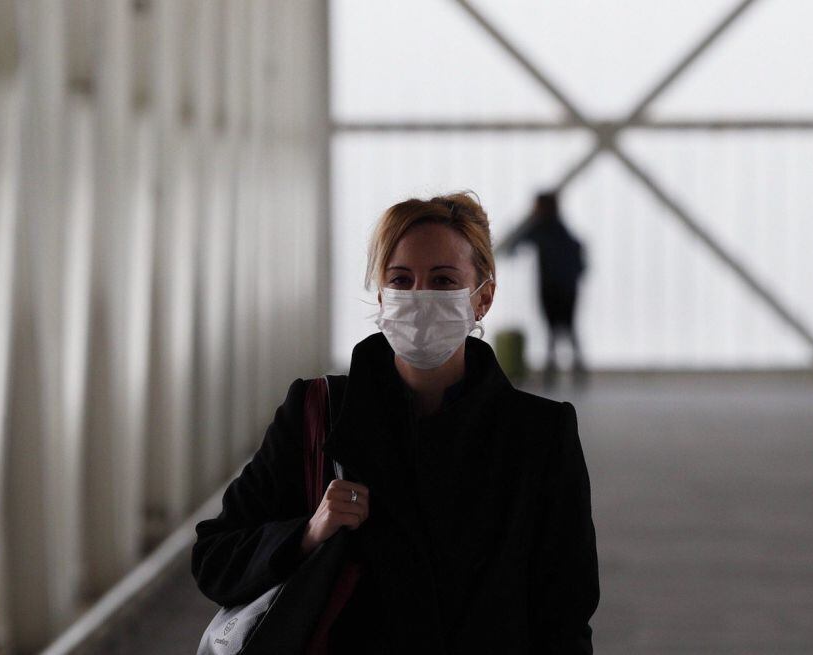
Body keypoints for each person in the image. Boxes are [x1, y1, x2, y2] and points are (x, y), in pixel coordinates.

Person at [191, 191, 600, 653]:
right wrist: (306, 535)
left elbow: (565, 616)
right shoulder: (317, 414)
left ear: (482, 298)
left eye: (443, 281)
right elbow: (214, 558)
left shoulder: (540, 435)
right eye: (401, 280)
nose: (418, 297)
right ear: (382, 296)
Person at [497, 190, 587, 387]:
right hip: (566, 287)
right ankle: (570, 372)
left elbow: (515, 243)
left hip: (552, 287)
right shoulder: (559, 230)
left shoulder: (542, 228)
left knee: (555, 330)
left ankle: (553, 373)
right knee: (566, 328)